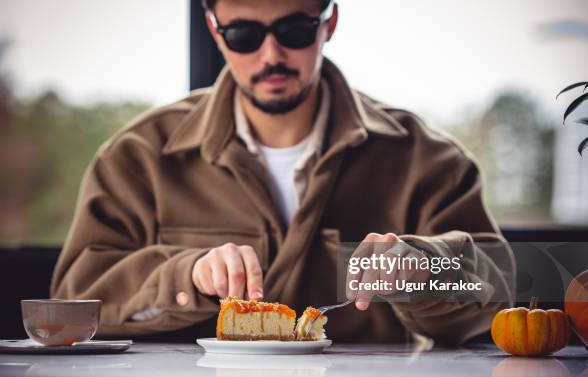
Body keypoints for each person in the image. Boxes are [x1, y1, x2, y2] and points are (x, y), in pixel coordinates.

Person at [50, 0, 514, 344]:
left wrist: (426, 270)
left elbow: (504, 290)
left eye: (293, 30)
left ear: (329, 22)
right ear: (214, 29)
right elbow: (71, 303)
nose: (270, 55)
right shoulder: (141, 156)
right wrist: (185, 275)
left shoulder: (424, 158)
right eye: (244, 36)